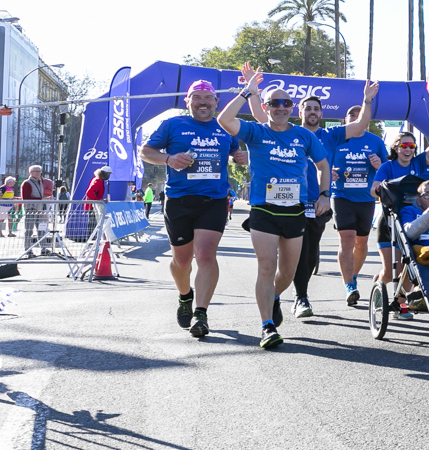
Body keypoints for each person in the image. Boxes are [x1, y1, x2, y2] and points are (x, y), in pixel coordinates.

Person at [241, 67, 378, 320]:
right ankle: (300, 298)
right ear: (299, 112)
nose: (313, 112)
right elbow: (262, 113)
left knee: (310, 253)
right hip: (281, 203)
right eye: (308, 109)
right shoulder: (281, 129)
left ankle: (278, 295)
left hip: (316, 204)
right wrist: (252, 92)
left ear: (321, 114)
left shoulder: (331, 135)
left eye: (317, 109)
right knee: (288, 256)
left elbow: (360, 124)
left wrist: (367, 100)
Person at [217, 68, 330, 350]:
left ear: (292, 109)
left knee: (288, 274)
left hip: (295, 211)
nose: (281, 108)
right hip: (264, 210)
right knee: (267, 267)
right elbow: (224, 119)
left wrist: (325, 194)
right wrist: (248, 91)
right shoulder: (255, 131)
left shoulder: (305, 136)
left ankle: (275, 297)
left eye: (286, 104)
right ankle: (267, 325)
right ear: (265, 107)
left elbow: (323, 167)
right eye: (274, 103)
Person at [141, 79, 249, 338]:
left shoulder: (225, 126)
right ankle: (185, 295)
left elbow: (236, 151)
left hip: (213, 200)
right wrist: (169, 158)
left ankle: (201, 312)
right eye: (197, 98)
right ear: (187, 101)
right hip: (179, 200)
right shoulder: (172, 124)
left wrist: (239, 157)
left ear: (216, 102)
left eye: (207, 98)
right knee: (182, 260)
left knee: (205, 255)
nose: (203, 102)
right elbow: (145, 150)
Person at [328, 104, 388, 306]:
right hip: (341, 196)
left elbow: (389, 169)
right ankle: (349, 286)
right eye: (351, 115)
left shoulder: (375, 142)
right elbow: (321, 162)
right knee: (347, 238)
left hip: (366, 198)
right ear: (345, 120)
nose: (355, 118)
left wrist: (379, 165)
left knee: (361, 243)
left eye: (359, 115)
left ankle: (352, 276)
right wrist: (330, 172)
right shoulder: (337, 139)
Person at [371, 131, 420, 297]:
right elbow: (373, 190)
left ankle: (400, 304)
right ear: (396, 148)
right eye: (403, 146)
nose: (408, 150)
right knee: (393, 270)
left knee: (411, 268)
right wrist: (383, 191)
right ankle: (380, 284)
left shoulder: (418, 165)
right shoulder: (388, 167)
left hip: (412, 221)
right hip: (389, 222)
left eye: (411, 146)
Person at [21, 165, 54, 256]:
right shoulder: (27, 183)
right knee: (29, 230)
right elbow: (26, 198)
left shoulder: (40, 182)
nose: (39, 173)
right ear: (31, 173)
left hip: (39, 209)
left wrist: (43, 210)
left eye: (40, 171)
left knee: (41, 229)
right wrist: (41, 199)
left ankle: (43, 248)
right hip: (31, 209)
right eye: (37, 171)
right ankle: (28, 250)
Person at [83, 166, 111, 239]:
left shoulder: (98, 180)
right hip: (93, 206)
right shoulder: (98, 181)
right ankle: (92, 240)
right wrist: (97, 200)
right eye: (108, 174)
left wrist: (99, 199)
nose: (109, 176)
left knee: (93, 224)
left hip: (93, 205)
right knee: (93, 224)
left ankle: (92, 240)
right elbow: (89, 192)